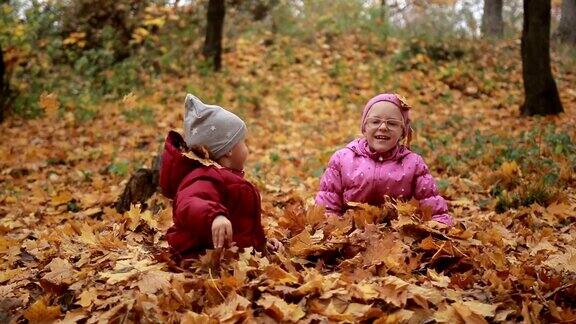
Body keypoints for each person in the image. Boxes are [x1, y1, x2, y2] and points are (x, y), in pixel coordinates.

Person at [160, 94, 282, 258]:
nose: (247, 147)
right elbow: (189, 202)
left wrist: (259, 244)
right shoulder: (204, 177)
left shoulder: (225, 178)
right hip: (203, 258)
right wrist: (214, 216)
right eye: (242, 142)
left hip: (230, 258)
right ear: (229, 150)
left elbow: (240, 227)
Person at [315, 93, 453, 226]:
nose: (383, 127)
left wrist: (439, 223)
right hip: (351, 232)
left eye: (392, 124)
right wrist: (330, 227)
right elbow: (329, 202)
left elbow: (429, 201)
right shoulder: (343, 159)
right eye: (375, 122)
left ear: (402, 131)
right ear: (364, 127)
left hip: (398, 236)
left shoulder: (413, 163)